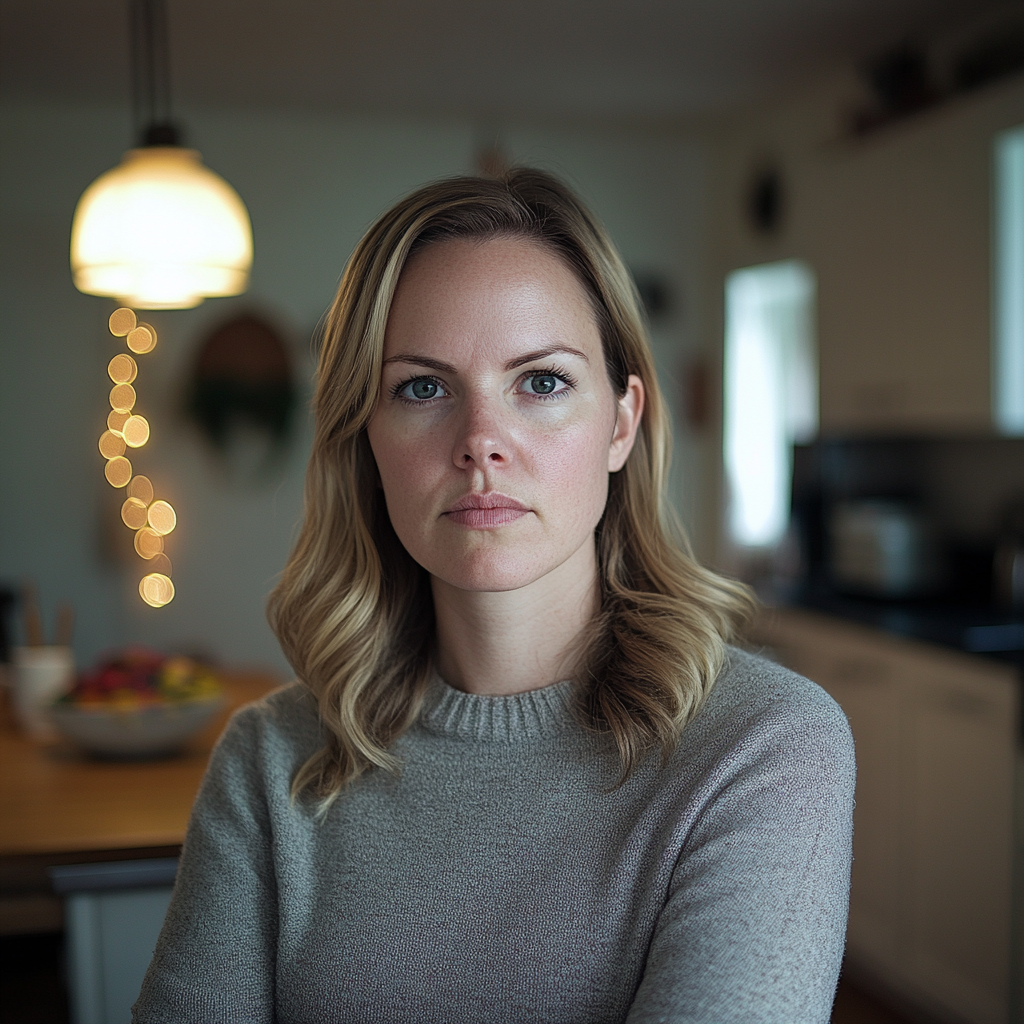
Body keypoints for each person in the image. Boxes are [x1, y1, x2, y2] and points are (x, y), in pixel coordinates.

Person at [133, 169, 855, 1023]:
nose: (481, 442)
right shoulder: (269, 761)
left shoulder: (763, 748)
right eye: (422, 387)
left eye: (541, 382)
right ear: (366, 438)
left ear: (622, 423)